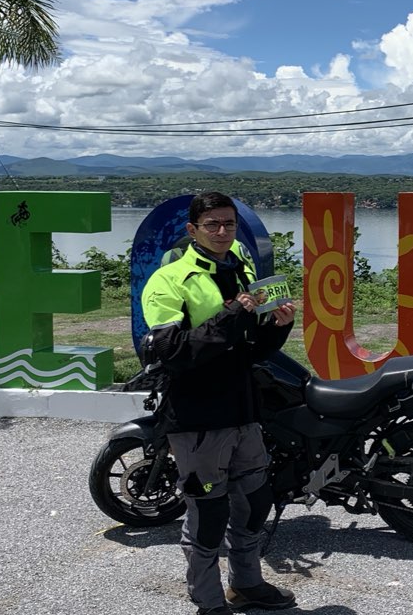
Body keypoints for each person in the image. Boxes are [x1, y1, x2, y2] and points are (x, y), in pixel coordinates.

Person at [140, 191, 299, 615]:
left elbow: (253, 347)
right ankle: (208, 602)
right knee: (209, 514)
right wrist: (232, 314)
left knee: (254, 504)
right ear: (192, 230)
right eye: (212, 224)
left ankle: (246, 585)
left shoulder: (242, 269)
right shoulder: (170, 280)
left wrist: (278, 327)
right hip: (197, 414)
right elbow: (171, 351)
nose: (222, 231)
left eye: (229, 223)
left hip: (243, 406)